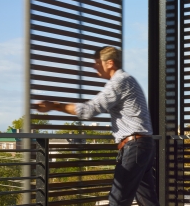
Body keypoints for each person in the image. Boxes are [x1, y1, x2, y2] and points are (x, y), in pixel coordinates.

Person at [36, 46, 160, 206]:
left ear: (109, 63)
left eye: (96, 62)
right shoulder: (129, 80)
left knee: (117, 200)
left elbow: (89, 110)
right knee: (148, 201)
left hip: (135, 147)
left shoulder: (119, 81)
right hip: (144, 146)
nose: (94, 66)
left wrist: (54, 106)